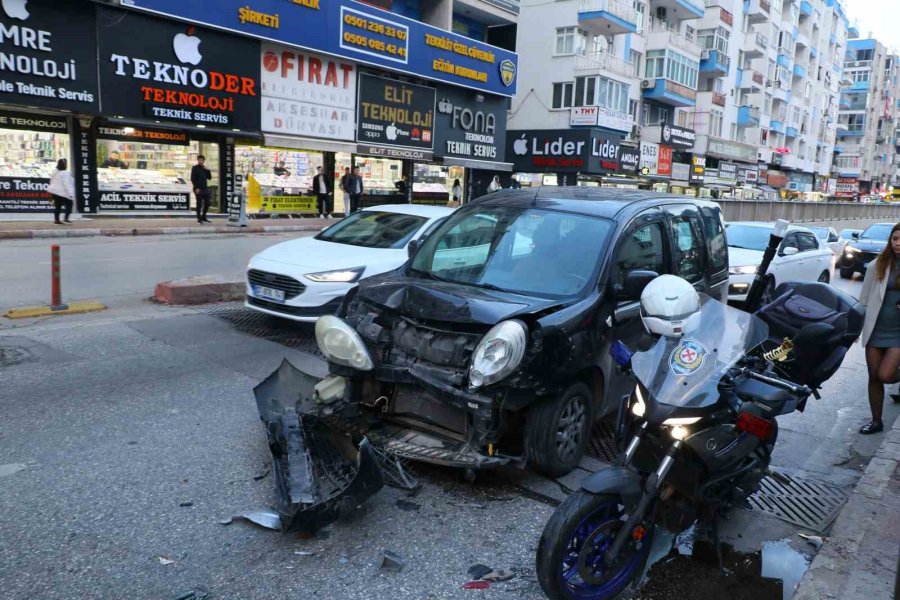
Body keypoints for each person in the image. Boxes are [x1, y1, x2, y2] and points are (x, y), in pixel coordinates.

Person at [858, 222, 900, 434]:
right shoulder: (878, 264)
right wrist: (856, 327)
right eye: (895, 239)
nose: (898, 244)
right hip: (876, 328)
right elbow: (864, 299)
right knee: (874, 377)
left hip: (898, 333)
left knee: (885, 374)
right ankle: (876, 421)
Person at [48, 158, 75, 225]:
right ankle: (66, 219)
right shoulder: (65, 173)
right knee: (69, 203)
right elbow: (66, 184)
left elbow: (51, 181)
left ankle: (57, 220)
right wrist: (70, 194)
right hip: (62, 192)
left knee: (58, 206)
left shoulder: (55, 172)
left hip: (54, 191)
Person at [191, 155, 212, 224]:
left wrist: (208, 170)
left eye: (201, 160)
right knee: (199, 204)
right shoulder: (195, 168)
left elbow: (209, 178)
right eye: (199, 160)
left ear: (203, 161)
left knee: (208, 203)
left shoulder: (205, 169)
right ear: (197, 160)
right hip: (198, 188)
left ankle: (204, 216)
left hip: (205, 188)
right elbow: (192, 179)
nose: (200, 161)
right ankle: (199, 218)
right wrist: (196, 188)